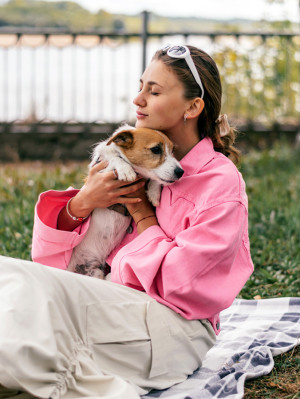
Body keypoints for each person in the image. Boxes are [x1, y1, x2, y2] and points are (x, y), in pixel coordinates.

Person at [0, 44, 254, 399]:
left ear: (192, 107)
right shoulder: (133, 162)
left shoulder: (219, 183)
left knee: (20, 291)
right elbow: (54, 260)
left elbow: (184, 284)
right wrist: (82, 203)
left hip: (173, 330)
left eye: (154, 91)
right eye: (140, 87)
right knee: (9, 279)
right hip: (112, 303)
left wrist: (142, 215)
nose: (138, 100)